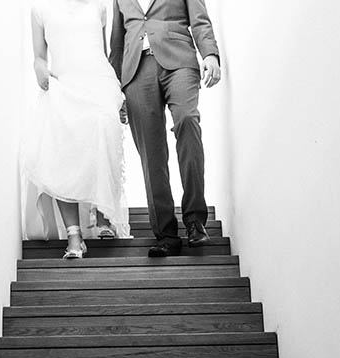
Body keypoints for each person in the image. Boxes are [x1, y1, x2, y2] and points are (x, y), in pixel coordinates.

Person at [110, 0, 221, 257]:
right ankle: (166, 233)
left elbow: (199, 18)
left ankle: (195, 220)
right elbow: (116, 43)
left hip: (179, 60)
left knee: (187, 120)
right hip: (136, 71)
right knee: (151, 151)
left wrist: (210, 54)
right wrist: (114, 92)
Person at [21, 0, 131, 259]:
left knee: (103, 140)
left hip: (99, 85)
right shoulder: (40, 9)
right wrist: (40, 70)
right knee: (64, 156)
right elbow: (39, 56)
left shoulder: (99, 7)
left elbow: (102, 53)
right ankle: (74, 236)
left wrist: (117, 92)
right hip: (64, 86)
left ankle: (104, 218)